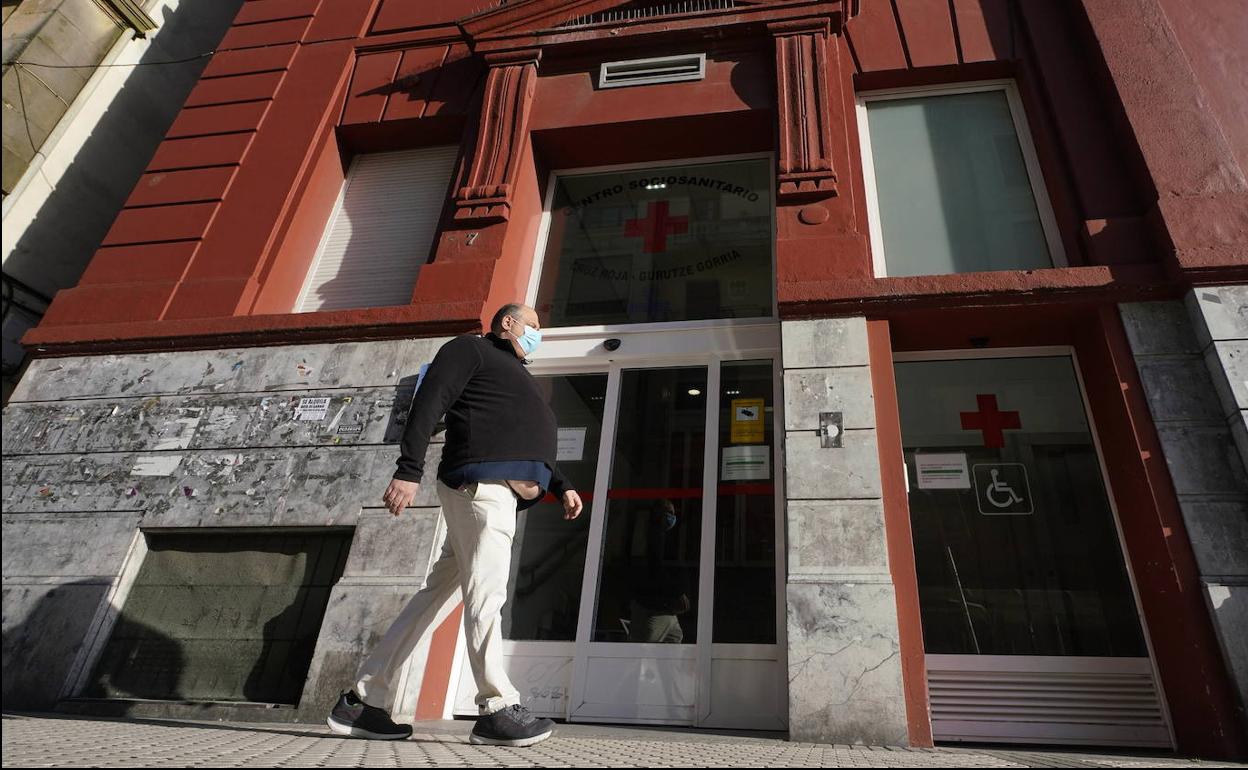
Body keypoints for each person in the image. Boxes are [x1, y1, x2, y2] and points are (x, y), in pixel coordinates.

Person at [326, 303, 584, 747]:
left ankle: (362, 701)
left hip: (495, 492)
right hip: (481, 488)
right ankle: (497, 708)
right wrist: (409, 469)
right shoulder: (470, 349)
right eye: (534, 326)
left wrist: (560, 483)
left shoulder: (514, 371)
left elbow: (521, 433)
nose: (539, 334)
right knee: (488, 593)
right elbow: (430, 401)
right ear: (508, 322)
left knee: (433, 599)